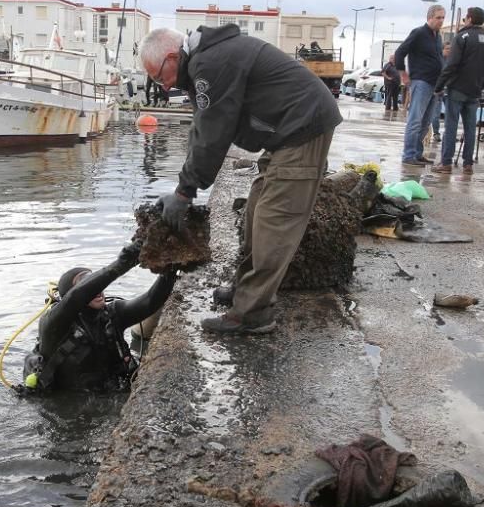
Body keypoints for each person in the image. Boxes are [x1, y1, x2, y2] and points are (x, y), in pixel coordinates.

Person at [139, 25, 341, 334]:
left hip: (303, 126)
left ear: (171, 56)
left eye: (158, 76)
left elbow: (213, 137)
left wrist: (184, 193)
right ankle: (245, 291)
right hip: (287, 132)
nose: (163, 86)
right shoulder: (204, 62)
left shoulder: (208, 64)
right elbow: (202, 130)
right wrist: (183, 187)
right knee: (254, 211)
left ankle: (253, 314)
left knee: (275, 220)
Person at [32, 241, 177, 392]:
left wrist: (171, 267)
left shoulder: (113, 314)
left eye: (98, 285)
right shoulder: (53, 324)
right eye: (91, 286)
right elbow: (75, 297)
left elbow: (150, 301)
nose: (99, 290)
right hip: (68, 406)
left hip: (110, 393)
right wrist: (122, 263)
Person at [432, 7, 484, 175]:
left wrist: (439, 86)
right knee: (470, 128)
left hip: (457, 88)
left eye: (465, 19)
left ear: (469, 19)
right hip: (475, 91)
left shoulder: (461, 37)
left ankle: (446, 163)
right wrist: (482, 83)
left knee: (451, 127)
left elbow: (452, 64)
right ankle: (468, 164)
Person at [394, 5, 445, 166]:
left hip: (435, 84)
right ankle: (408, 155)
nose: (441, 21)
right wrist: (403, 74)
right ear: (429, 17)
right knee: (415, 120)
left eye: (443, 18)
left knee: (425, 122)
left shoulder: (437, 37)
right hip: (421, 81)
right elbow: (399, 53)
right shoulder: (418, 33)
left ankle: (417, 153)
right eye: (438, 17)